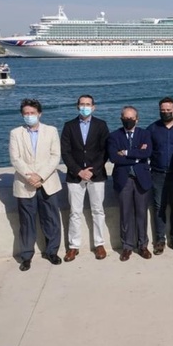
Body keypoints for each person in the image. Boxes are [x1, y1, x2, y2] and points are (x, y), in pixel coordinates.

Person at [9, 98, 63, 271]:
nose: (29, 116)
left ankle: (52, 251)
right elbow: (15, 158)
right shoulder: (16, 133)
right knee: (26, 222)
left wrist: (40, 175)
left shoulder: (51, 131)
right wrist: (29, 176)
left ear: (39, 113)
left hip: (47, 182)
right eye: (26, 113)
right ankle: (26, 256)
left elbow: (55, 156)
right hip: (25, 184)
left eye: (32, 113)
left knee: (51, 219)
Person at [60, 94, 110, 262]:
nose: (85, 107)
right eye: (82, 104)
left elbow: (105, 151)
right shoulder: (69, 126)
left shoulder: (101, 125)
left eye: (88, 104)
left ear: (93, 107)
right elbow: (65, 152)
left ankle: (99, 244)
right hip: (75, 177)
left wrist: (92, 170)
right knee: (74, 212)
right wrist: (78, 171)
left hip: (96, 176)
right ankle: (73, 246)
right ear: (77, 106)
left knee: (98, 210)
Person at [107, 106, 153, 262]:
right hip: (123, 180)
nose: (128, 121)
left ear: (137, 119)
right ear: (121, 118)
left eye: (131, 118)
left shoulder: (145, 134)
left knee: (141, 213)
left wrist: (126, 152)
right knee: (125, 214)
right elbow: (113, 157)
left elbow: (147, 153)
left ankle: (143, 245)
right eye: (125, 118)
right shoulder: (114, 136)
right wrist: (136, 155)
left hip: (142, 179)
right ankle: (127, 246)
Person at [146, 97, 173, 255]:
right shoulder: (152, 129)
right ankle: (159, 241)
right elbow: (146, 151)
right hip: (157, 174)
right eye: (163, 110)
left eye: (168, 110)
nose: (166, 113)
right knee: (158, 207)